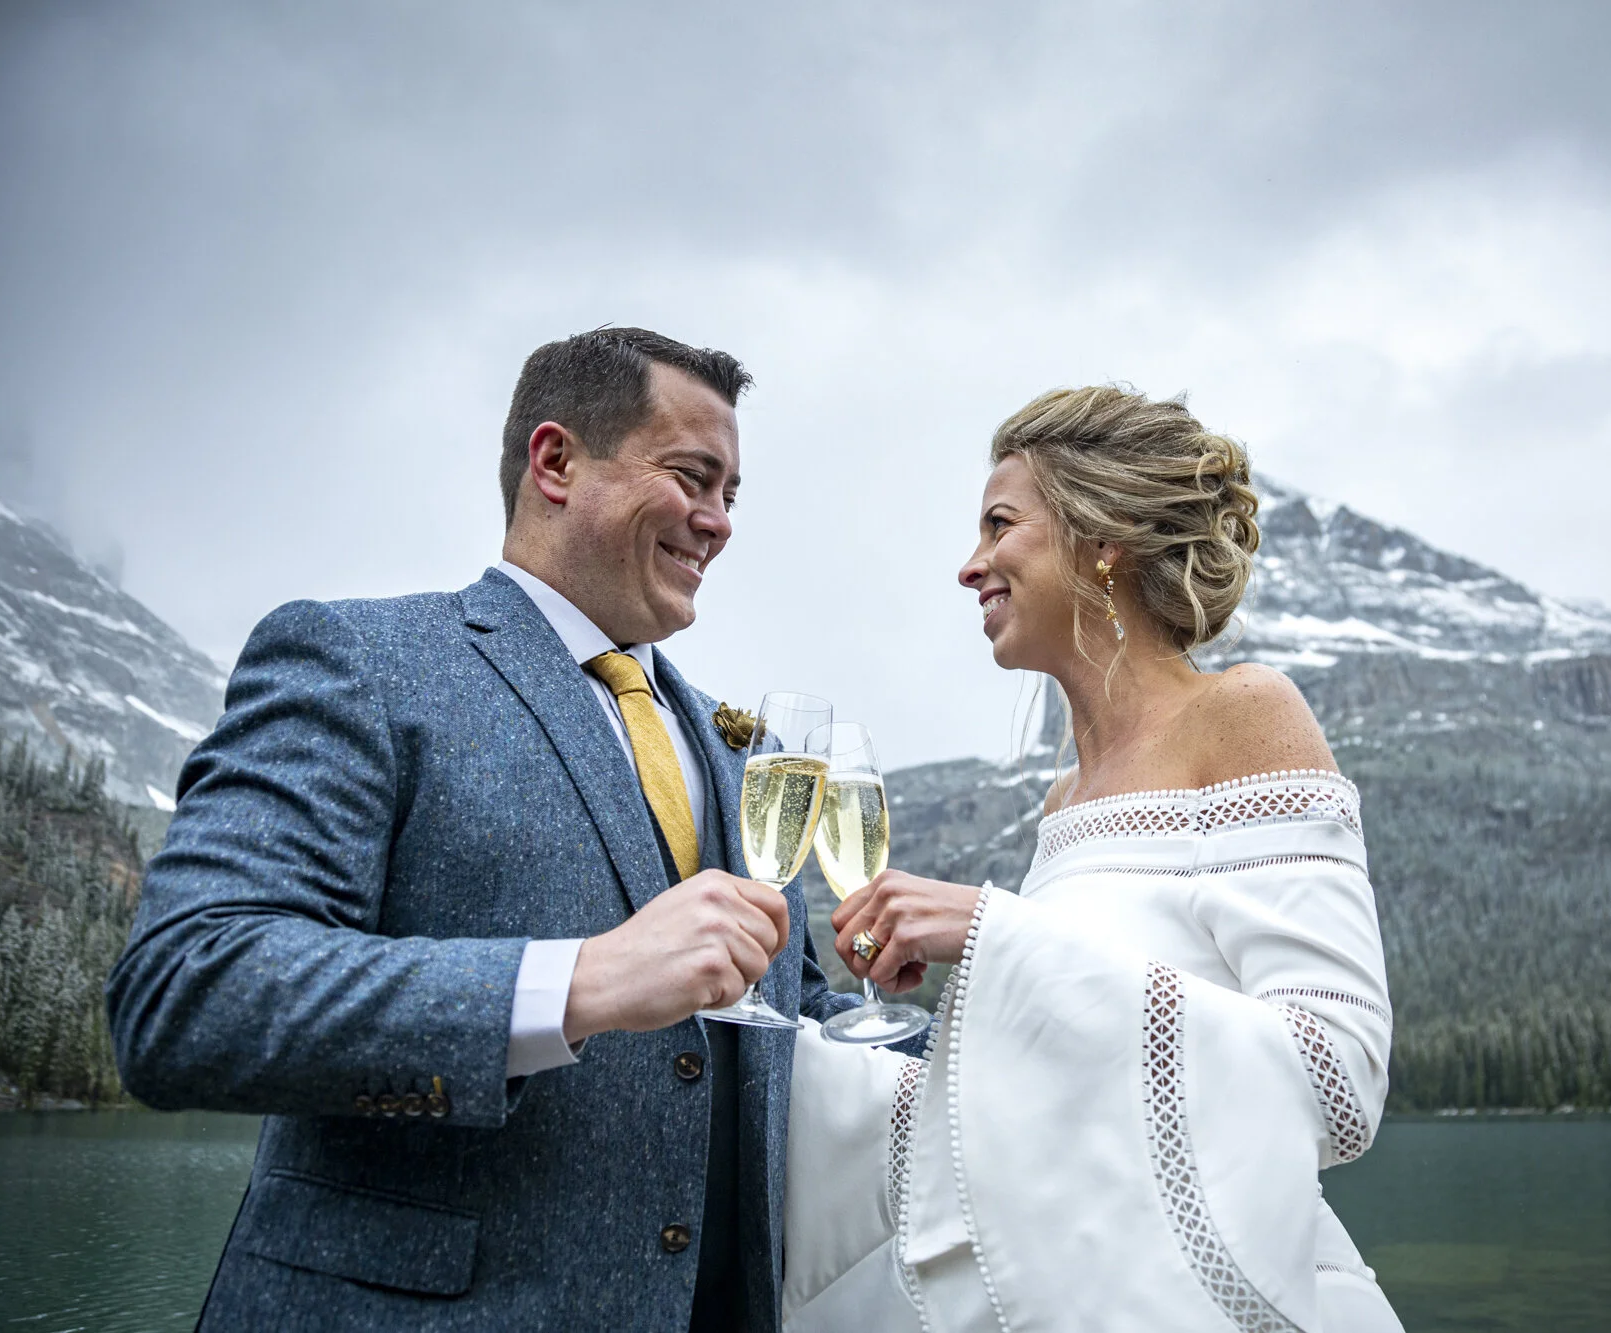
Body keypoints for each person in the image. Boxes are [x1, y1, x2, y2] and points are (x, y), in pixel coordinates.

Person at [106, 327, 866, 1330]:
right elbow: (187, 994)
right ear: (555, 462)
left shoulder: (741, 750)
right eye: (692, 477)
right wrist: (576, 983)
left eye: (732, 494)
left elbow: (793, 1020)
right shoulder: (359, 662)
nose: (717, 521)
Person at [780, 386, 1406, 1331]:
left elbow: (1339, 1081)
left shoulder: (1244, 713)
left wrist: (995, 937)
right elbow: (1078, 1090)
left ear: (1101, 538)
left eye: (1000, 524)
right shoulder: (1062, 800)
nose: (970, 565)